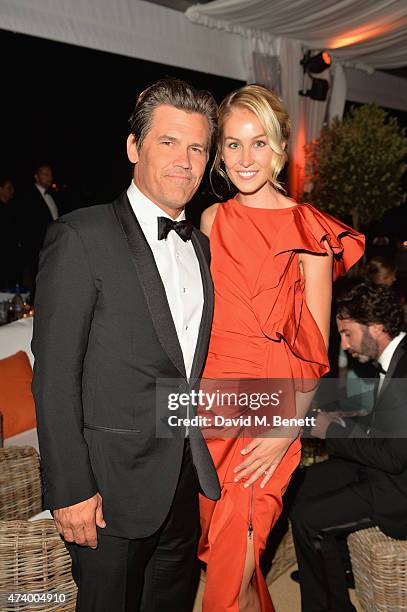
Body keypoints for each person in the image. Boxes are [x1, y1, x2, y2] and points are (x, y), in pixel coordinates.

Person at [32, 78, 220, 612]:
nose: (185, 160)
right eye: (168, 142)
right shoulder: (81, 236)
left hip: (182, 479)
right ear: (134, 147)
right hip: (106, 491)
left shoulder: (203, 248)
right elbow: (54, 377)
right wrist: (69, 489)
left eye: (197, 147)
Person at [198, 84, 364, 612]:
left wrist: (285, 429)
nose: (246, 159)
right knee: (230, 565)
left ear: (278, 149)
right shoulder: (211, 220)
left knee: (225, 581)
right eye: (232, 144)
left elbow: (317, 348)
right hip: (210, 409)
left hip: (272, 410)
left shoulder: (306, 230)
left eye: (258, 143)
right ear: (220, 152)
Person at [290, 282, 407, 612]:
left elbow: (393, 456)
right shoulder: (396, 357)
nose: (343, 344)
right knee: (304, 483)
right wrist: (343, 422)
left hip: (398, 489)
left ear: (376, 327)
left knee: (307, 518)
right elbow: (390, 426)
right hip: (384, 467)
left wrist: (331, 432)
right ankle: (336, 568)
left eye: (347, 334)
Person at [21, 163, 59, 292]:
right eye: (45, 174)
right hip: (37, 245)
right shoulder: (29, 196)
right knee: (37, 277)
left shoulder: (53, 195)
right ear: (36, 177)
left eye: (51, 174)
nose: (50, 177)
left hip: (52, 244)